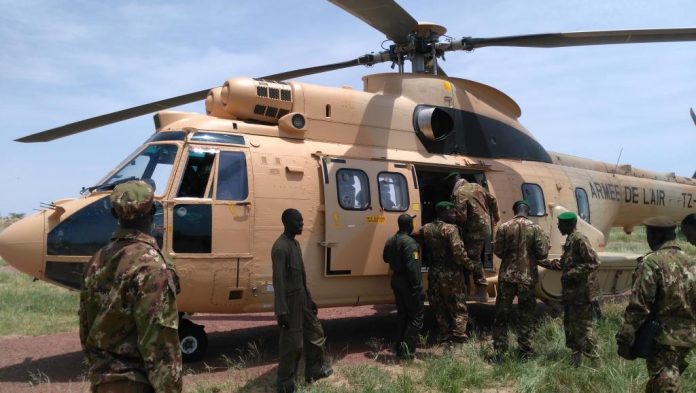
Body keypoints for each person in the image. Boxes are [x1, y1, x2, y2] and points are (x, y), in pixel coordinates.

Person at [79, 180, 182, 393]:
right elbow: (160, 341)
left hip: (101, 383)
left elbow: (85, 327)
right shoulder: (151, 266)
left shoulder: (97, 260)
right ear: (152, 211)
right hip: (135, 384)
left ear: (116, 215)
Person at [616, 216, 696, 392]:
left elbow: (640, 305)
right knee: (659, 383)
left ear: (656, 236)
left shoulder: (652, 262)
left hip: (661, 337)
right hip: (687, 337)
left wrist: (625, 337)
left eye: (649, 234)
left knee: (665, 384)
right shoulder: (692, 262)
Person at [272, 209, 332, 393]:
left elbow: (301, 277)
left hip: (303, 300)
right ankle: (285, 384)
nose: (302, 224)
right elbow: (279, 282)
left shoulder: (295, 244)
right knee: (293, 345)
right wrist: (281, 311)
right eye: (298, 221)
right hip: (290, 304)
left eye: (302, 221)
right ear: (287, 223)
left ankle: (314, 370)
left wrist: (309, 299)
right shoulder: (280, 247)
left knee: (315, 333)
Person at [538, 211, 600, 367]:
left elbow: (594, 262)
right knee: (571, 326)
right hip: (572, 294)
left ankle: (595, 361)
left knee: (584, 327)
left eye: (560, 224)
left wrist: (572, 272)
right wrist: (541, 262)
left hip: (582, 294)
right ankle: (575, 361)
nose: (558, 226)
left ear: (568, 225)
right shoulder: (570, 242)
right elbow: (562, 265)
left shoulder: (580, 240)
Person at [492, 200, 550, 360]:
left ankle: (499, 351)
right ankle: (525, 351)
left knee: (502, 314)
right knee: (526, 315)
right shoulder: (535, 228)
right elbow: (543, 253)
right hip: (527, 278)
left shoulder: (504, 227)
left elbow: (497, 250)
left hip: (507, 277)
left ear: (514, 210)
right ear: (528, 211)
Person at [420, 201, 476, 344]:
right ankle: (458, 336)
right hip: (451, 273)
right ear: (442, 213)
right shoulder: (450, 229)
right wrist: (470, 265)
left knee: (438, 304)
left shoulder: (426, 228)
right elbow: (457, 251)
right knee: (458, 304)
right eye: (451, 213)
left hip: (434, 273)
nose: (454, 215)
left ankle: (444, 333)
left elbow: (418, 240)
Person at [446, 172, 499, 301]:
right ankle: (470, 289)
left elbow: (462, 216)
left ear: (453, 182)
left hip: (473, 229)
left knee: (473, 258)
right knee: (473, 256)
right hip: (484, 227)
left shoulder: (459, 193)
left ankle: (481, 291)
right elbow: (493, 200)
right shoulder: (477, 186)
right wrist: (496, 217)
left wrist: (450, 222)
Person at [382, 213, 425, 359]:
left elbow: (385, 258)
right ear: (409, 225)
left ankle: (399, 348)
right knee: (416, 317)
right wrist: (417, 288)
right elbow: (413, 267)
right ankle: (408, 352)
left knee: (402, 315)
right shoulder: (411, 244)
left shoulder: (390, 240)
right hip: (408, 283)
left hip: (396, 280)